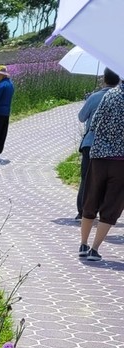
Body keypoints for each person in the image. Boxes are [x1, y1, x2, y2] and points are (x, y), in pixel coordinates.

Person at [78, 78, 124, 262]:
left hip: (99, 157)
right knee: (111, 205)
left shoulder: (110, 95)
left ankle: (83, 243)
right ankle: (95, 248)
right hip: (121, 162)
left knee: (91, 198)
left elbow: (94, 122)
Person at [74, 68, 120, 221]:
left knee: (87, 178)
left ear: (104, 79)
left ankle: (83, 211)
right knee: (107, 180)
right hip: (114, 148)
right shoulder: (120, 97)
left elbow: (82, 117)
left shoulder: (95, 97)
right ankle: (103, 211)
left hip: (90, 143)